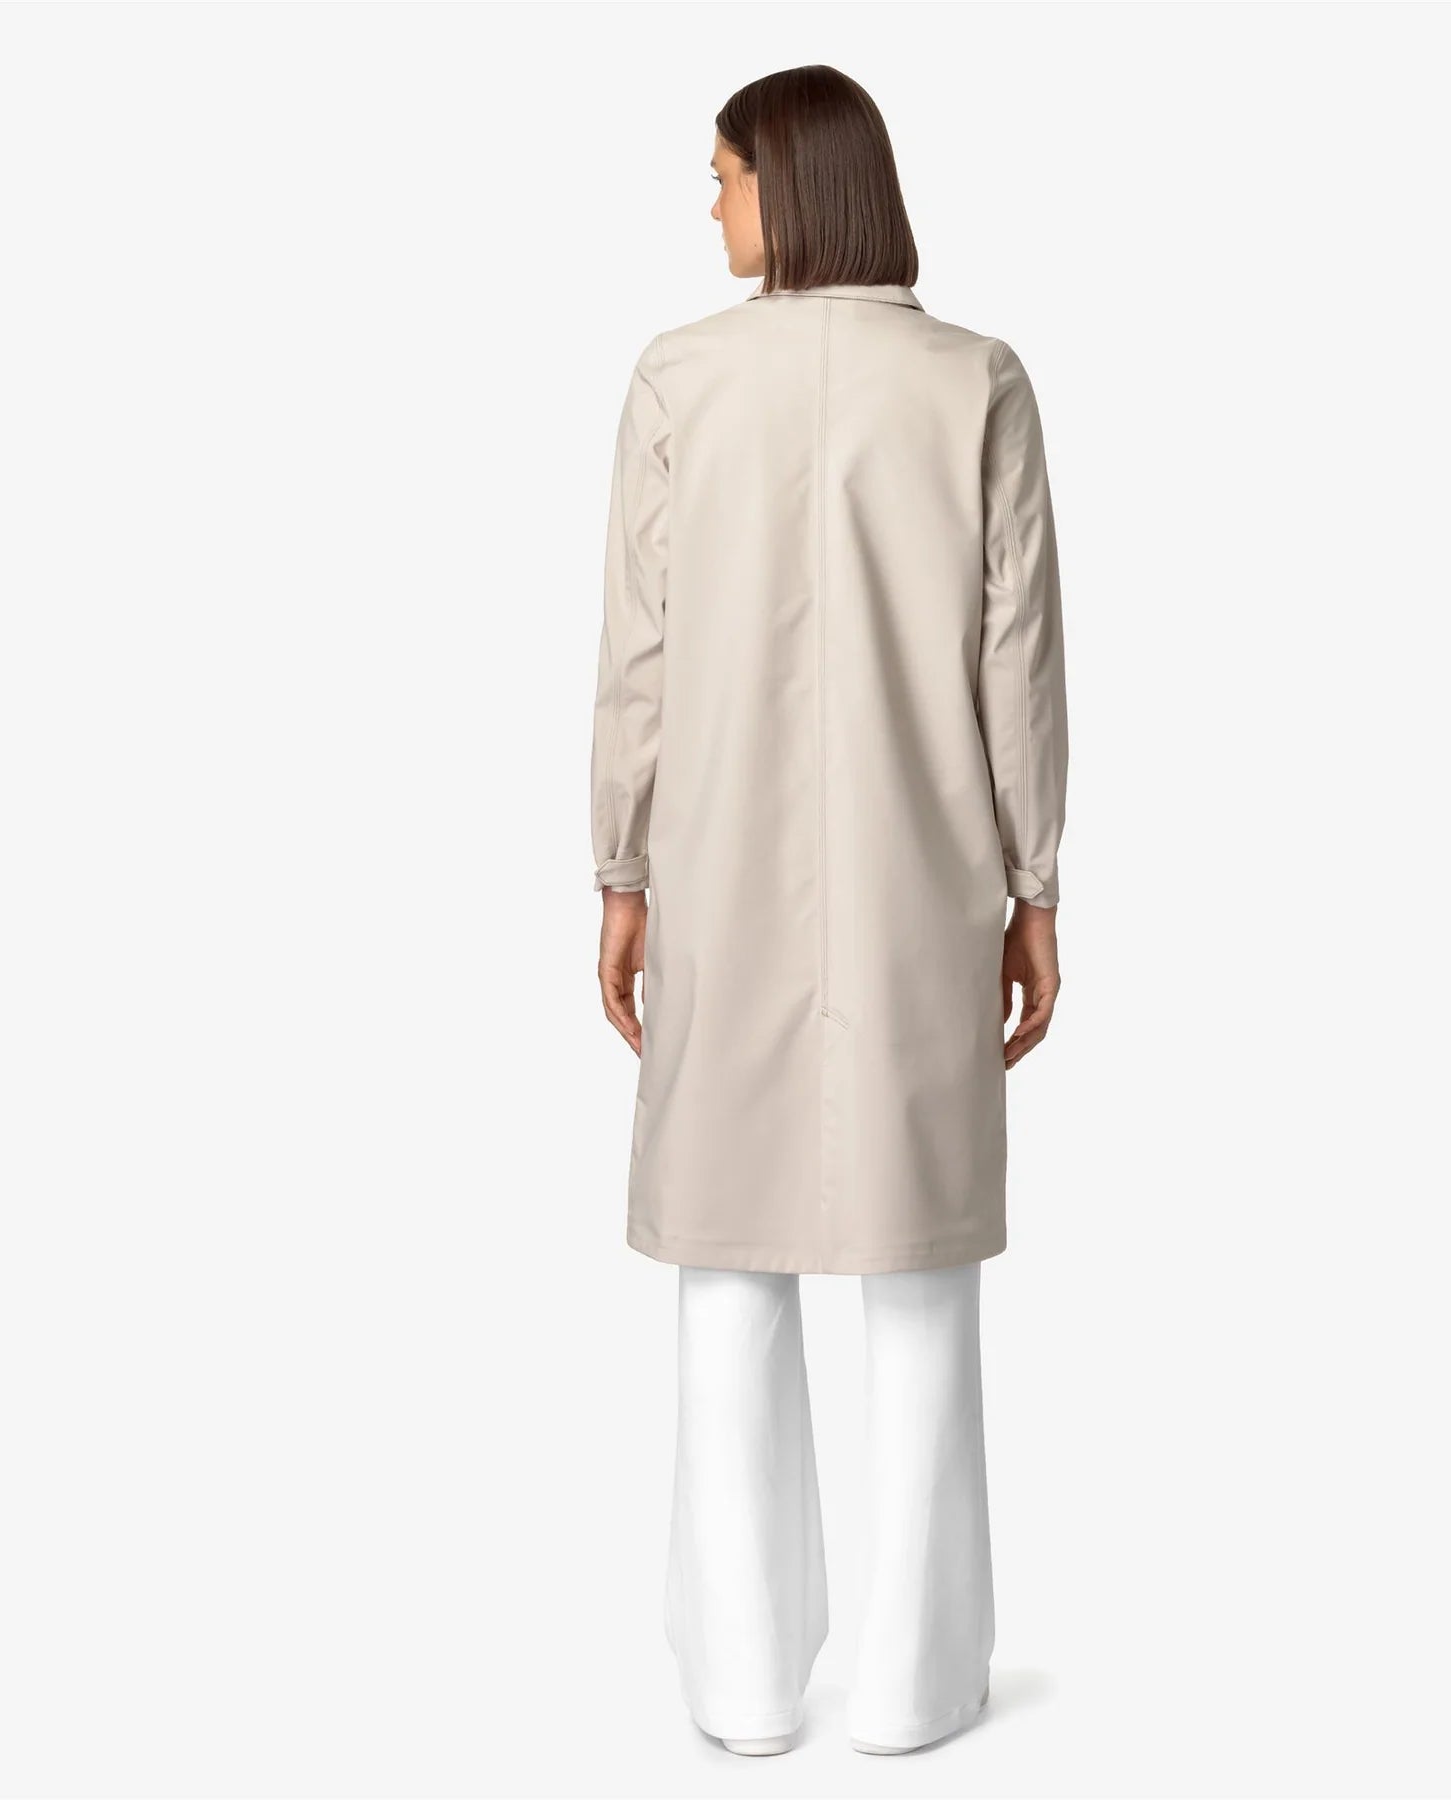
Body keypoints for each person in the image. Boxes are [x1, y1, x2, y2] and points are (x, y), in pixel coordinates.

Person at [588, 64, 1068, 1757]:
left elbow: (639, 658)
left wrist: (621, 869)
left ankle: (739, 1680)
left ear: (790, 185)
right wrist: (1034, 884)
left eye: (724, 172)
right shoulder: (973, 382)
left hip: (717, 870)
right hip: (920, 877)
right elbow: (1018, 663)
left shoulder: (679, 379)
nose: (711, 201)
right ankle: (917, 1683)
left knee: (729, 1258)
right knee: (918, 1266)